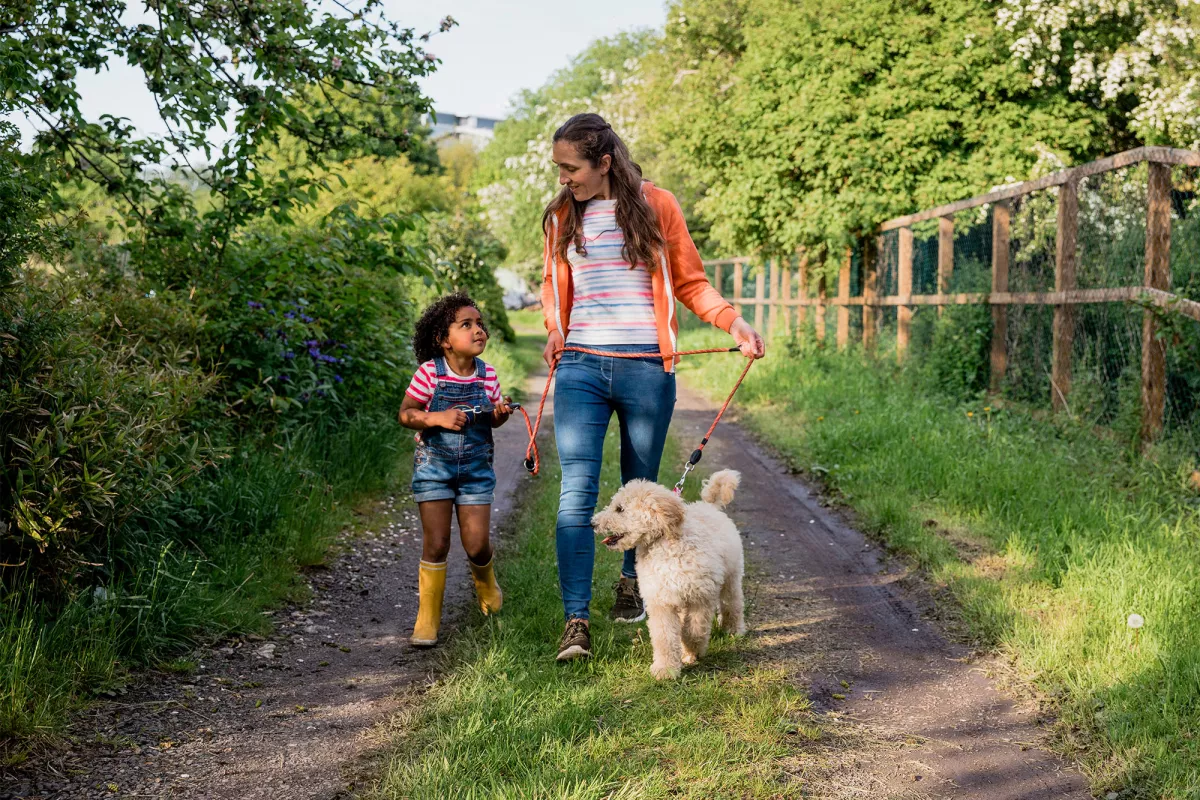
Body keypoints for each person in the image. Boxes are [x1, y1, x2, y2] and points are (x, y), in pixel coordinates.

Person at [540, 113, 765, 661]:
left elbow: (690, 281)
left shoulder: (656, 205)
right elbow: (552, 281)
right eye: (559, 169)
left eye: (571, 168)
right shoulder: (560, 216)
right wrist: (554, 329)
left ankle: (629, 580)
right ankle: (576, 621)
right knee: (576, 494)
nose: (564, 178)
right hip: (581, 368)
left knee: (637, 489)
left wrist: (733, 323)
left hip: (646, 368)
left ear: (604, 163)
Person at [398, 293, 513, 647]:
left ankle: (486, 584)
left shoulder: (487, 375)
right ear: (444, 339)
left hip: (476, 470)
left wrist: (498, 414)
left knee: (477, 544)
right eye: (467, 324)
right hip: (435, 466)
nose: (478, 330)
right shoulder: (429, 373)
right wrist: (435, 417)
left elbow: (490, 422)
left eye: (480, 324)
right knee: (437, 542)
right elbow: (406, 413)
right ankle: (428, 618)